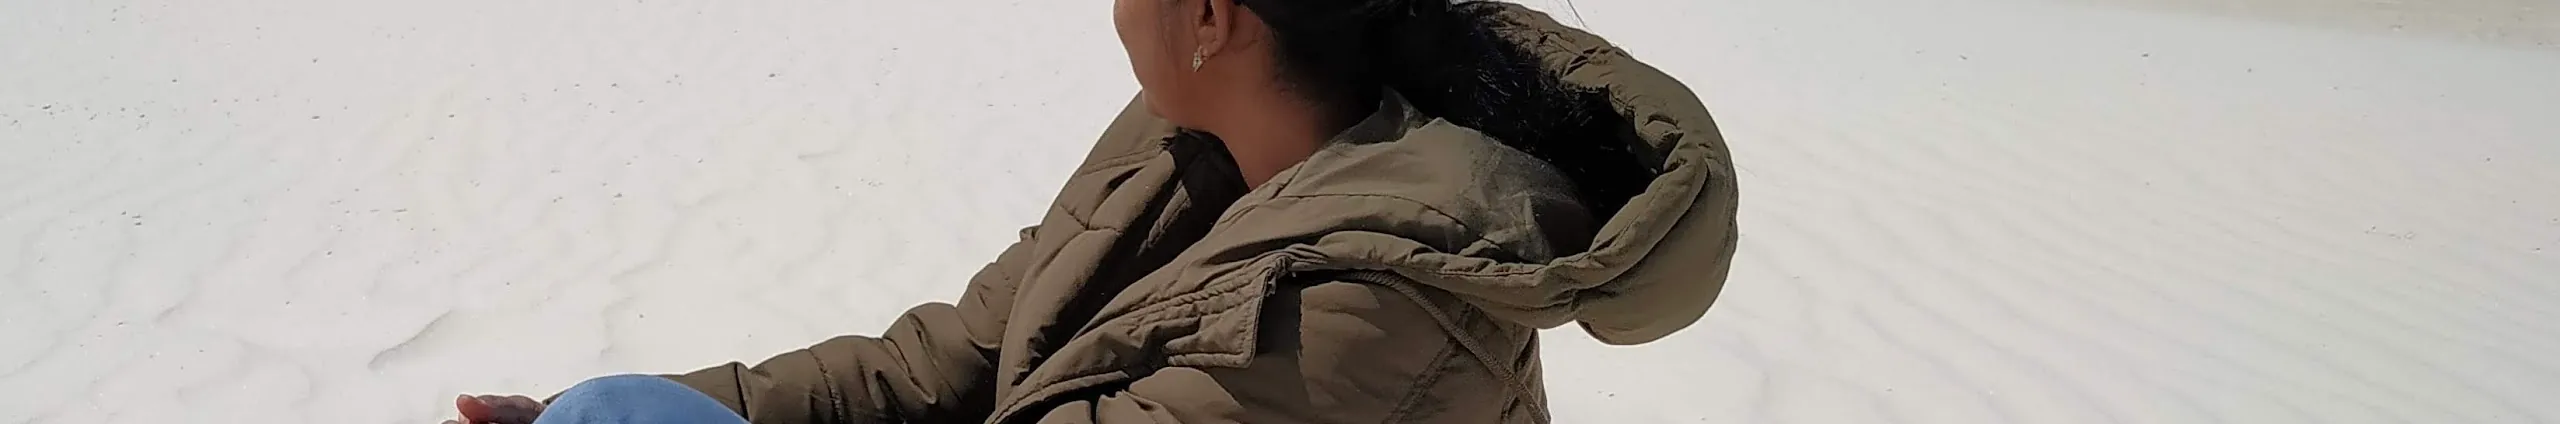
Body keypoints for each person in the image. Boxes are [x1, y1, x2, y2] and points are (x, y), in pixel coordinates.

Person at [448, 0, 1737, 422]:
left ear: (1213, 17)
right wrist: (644, 406)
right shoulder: (1193, 140)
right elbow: (948, 363)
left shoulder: (1368, 318)